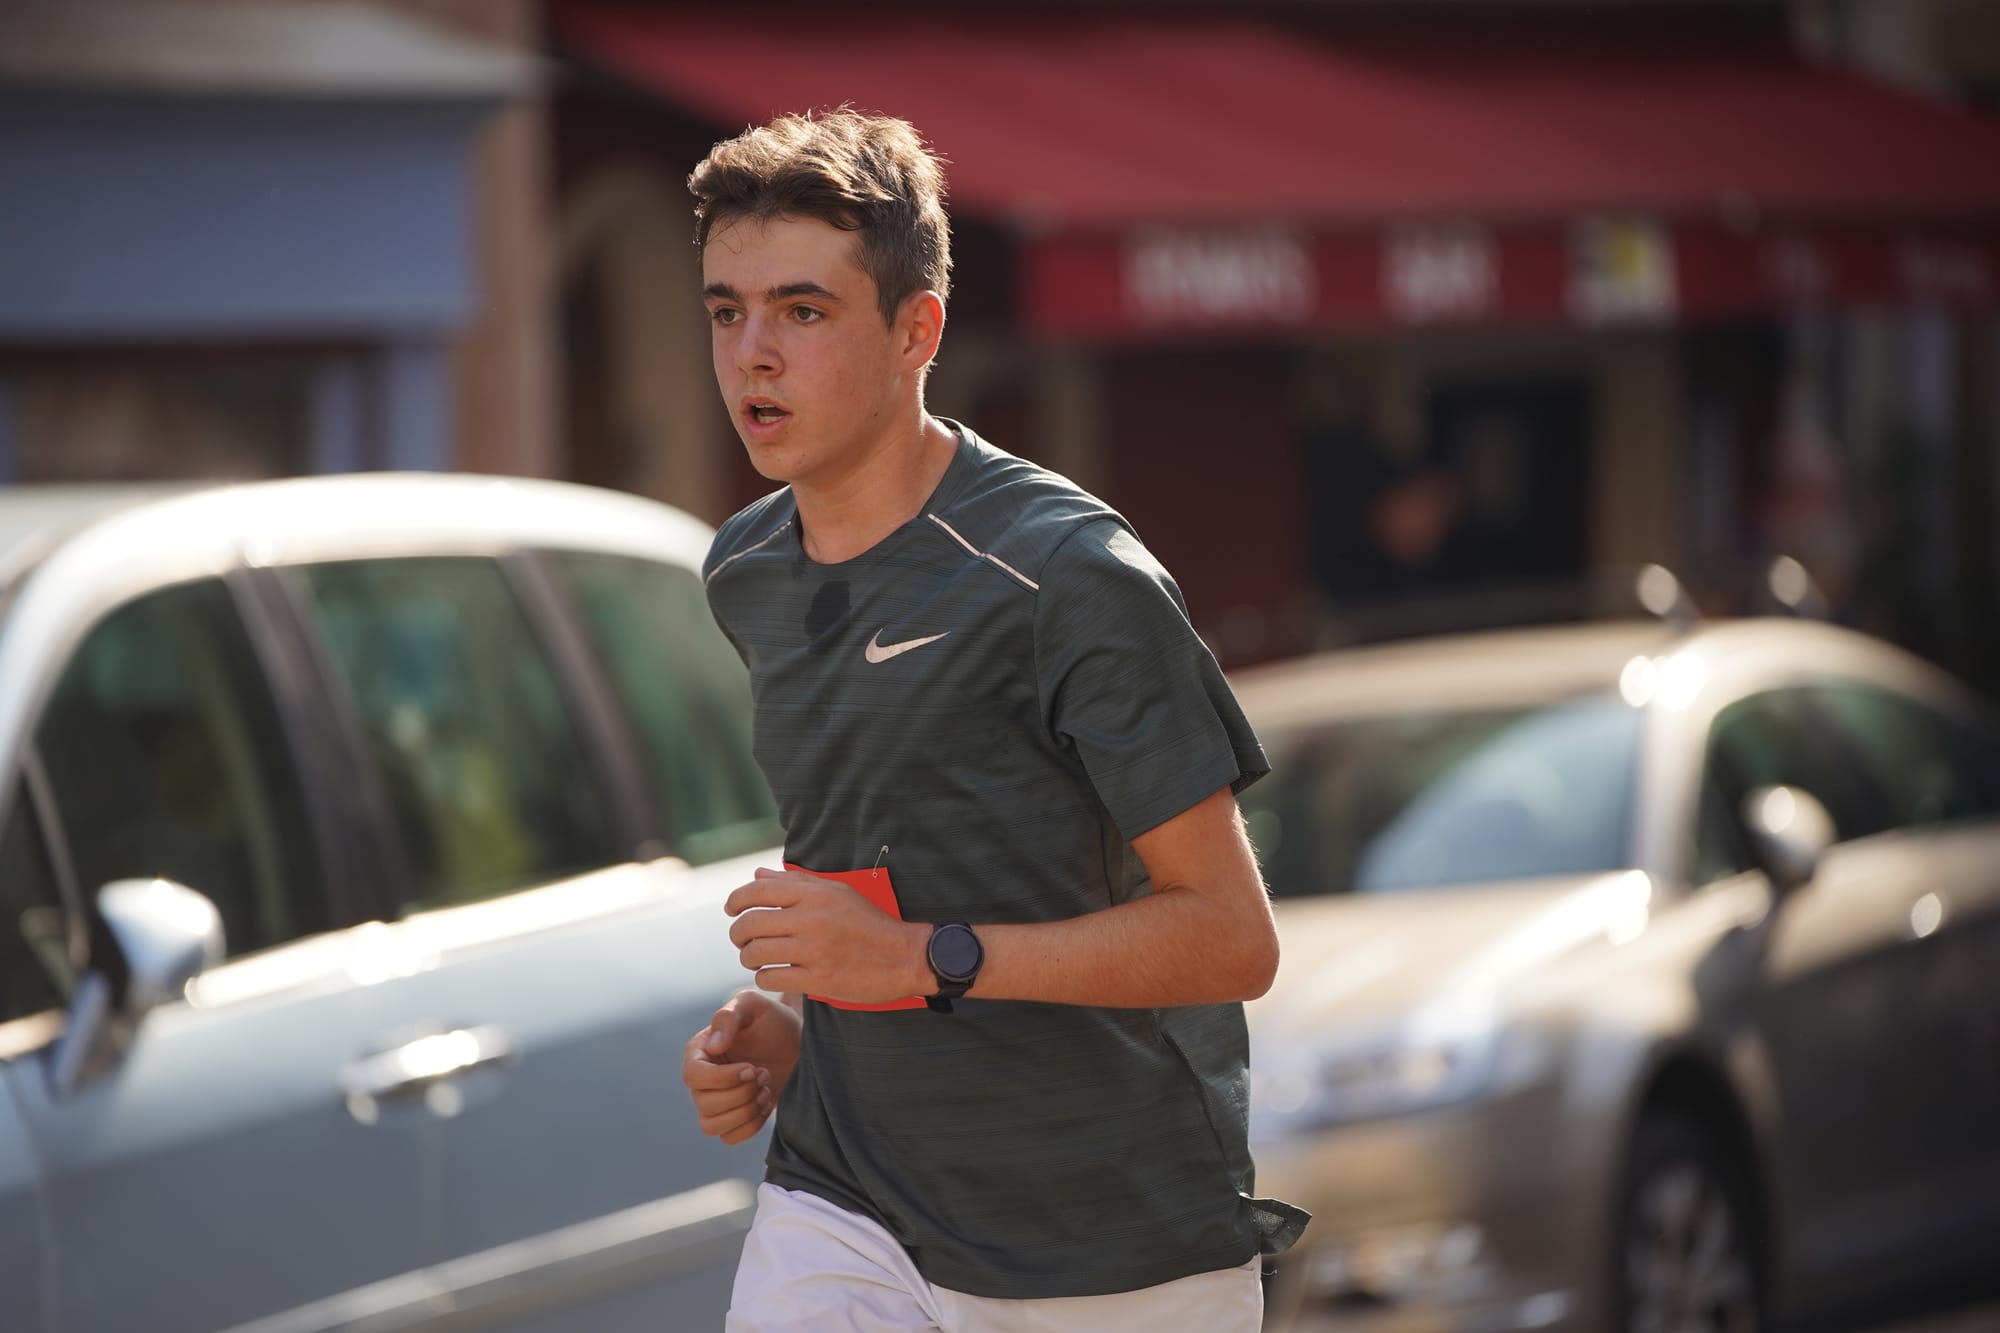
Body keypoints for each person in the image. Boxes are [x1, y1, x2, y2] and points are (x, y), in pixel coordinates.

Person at [679, 108, 1306, 1332]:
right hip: (850, 1204)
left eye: (801, 312)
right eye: (724, 311)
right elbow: (882, 867)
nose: (752, 353)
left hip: (1112, 1242)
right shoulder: (743, 571)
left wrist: (921, 960)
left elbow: (1232, 939)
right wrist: (799, 1022)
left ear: (918, 330)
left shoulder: (1068, 575)